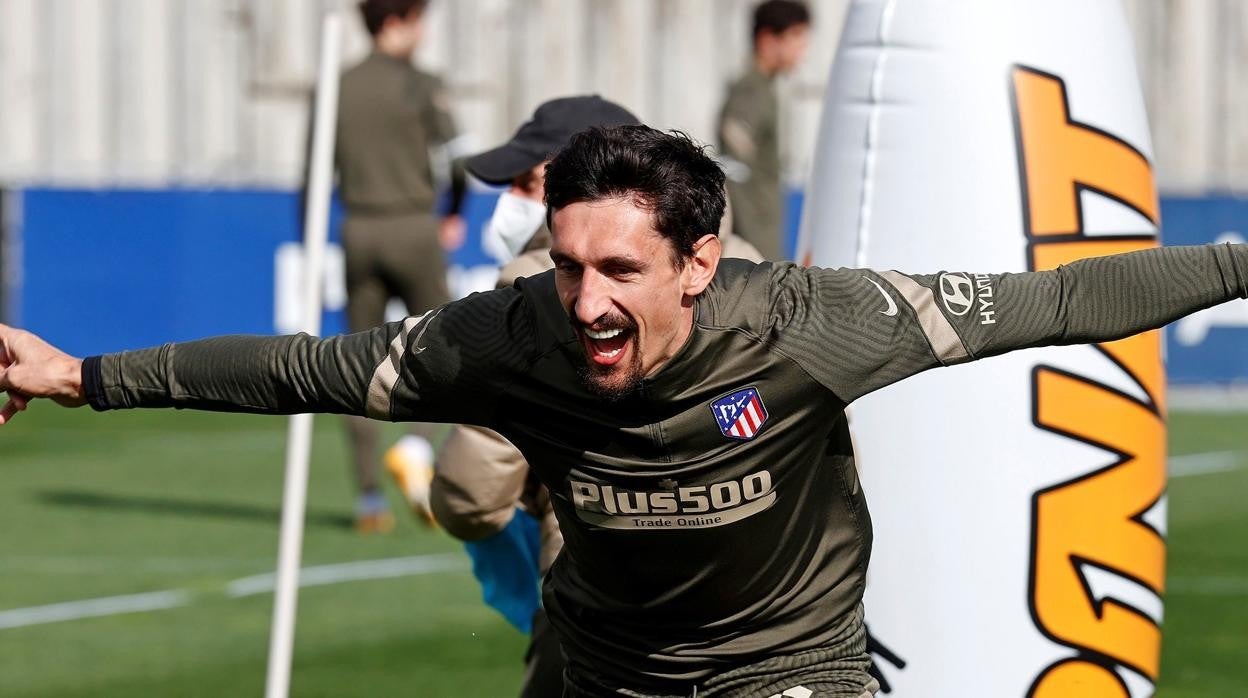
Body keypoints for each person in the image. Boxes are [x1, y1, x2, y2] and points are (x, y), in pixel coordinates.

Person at [4, 125, 1247, 697]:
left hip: (787, 674)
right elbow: (299, 372)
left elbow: (1059, 299)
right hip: (602, 671)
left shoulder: (812, 320)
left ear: (700, 265)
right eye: (566, 265)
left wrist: (1238, 262)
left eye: (620, 273)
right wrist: (78, 375)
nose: (585, 302)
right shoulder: (504, 336)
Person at [432, 95, 764, 698]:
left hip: (605, 606)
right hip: (764, 613)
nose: (510, 202)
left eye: (525, 182)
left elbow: (471, 493)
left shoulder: (535, 295)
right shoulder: (759, 277)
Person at [331, 0, 469, 532]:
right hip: (413, 226)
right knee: (448, 350)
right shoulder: (422, 84)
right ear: (398, 21)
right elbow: (457, 159)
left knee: (352, 364)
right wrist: (454, 212)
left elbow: (313, 167)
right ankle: (415, 448)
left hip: (358, 228)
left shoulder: (338, 84)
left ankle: (368, 500)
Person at [718, 0, 811, 260]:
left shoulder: (766, 89)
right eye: (795, 37)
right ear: (767, 39)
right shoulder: (750, 93)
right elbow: (736, 173)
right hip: (753, 243)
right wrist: (757, 253)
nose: (802, 49)